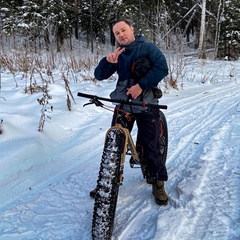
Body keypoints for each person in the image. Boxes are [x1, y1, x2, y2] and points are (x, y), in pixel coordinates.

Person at [92, 19, 169, 206]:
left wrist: (141, 86)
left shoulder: (148, 48)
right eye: (117, 33)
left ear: (132, 29)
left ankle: (158, 181)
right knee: (113, 144)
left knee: (151, 144)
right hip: (122, 103)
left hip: (146, 103)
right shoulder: (119, 53)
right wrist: (107, 62)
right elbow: (99, 75)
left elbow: (162, 68)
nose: (121, 35)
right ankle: (108, 183)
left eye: (123, 30)